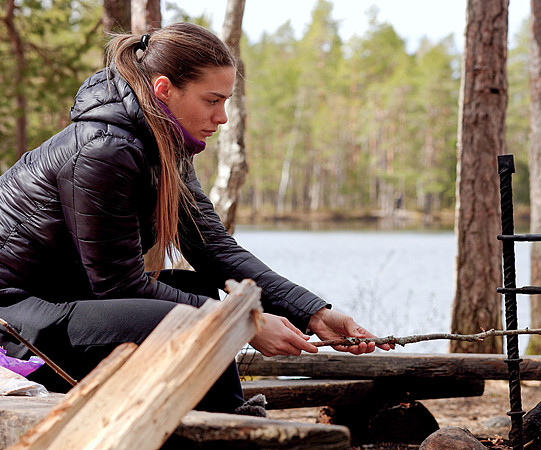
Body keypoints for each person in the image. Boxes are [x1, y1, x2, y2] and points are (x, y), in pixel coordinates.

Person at [0, 22, 388, 414]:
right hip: (13, 324)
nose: (221, 117)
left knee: (195, 285)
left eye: (226, 102)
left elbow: (213, 248)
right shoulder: (105, 150)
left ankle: (223, 420)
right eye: (211, 100)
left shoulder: (166, 146)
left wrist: (312, 312)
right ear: (164, 89)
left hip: (60, 305)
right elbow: (119, 286)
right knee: (187, 315)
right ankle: (228, 426)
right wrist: (245, 323)